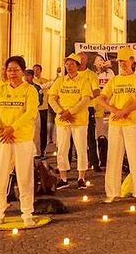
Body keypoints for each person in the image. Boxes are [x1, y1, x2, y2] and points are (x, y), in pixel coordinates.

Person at [0, 56, 39, 229]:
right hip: (2, 139)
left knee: (24, 177)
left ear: (23, 71)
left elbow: (30, 113)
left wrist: (12, 128)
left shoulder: (30, 90)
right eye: (9, 70)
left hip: (22, 139)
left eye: (16, 69)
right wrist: (0, 128)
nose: (12, 73)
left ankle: (27, 213)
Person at [98, 48, 136, 203]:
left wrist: (126, 110)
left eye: (125, 61)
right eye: (120, 61)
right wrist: (113, 110)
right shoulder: (114, 80)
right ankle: (112, 192)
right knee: (113, 157)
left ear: (132, 61)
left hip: (133, 123)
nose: (122, 64)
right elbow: (101, 98)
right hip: (116, 123)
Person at [48, 54, 99, 190]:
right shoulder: (59, 81)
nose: (69, 66)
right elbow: (51, 98)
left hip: (79, 120)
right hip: (62, 120)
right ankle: (63, 178)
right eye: (67, 64)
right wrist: (61, 112)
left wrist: (70, 112)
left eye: (72, 64)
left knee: (81, 148)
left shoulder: (84, 81)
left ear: (77, 66)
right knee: (62, 149)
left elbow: (85, 99)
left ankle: (81, 177)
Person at [77, 53, 103, 172]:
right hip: (74, 109)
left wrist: (85, 98)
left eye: (83, 59)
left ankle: (94, 162)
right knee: (74, 139)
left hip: (88, 108)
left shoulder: (91, 75)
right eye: (79, 59)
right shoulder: (72, 75)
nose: (80, 61)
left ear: (86, 61)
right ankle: (74, 163)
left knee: (90, 137)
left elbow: (97, 92)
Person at [31, 64, 50, 159]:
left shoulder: (45, 80)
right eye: (34, 70)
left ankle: (43, 150)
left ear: (41, 70)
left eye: (37, 70)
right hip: (34, 109)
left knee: (43, 130)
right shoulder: (31, 82)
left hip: (44, 108)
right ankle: (34, 150)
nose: (36, 71)